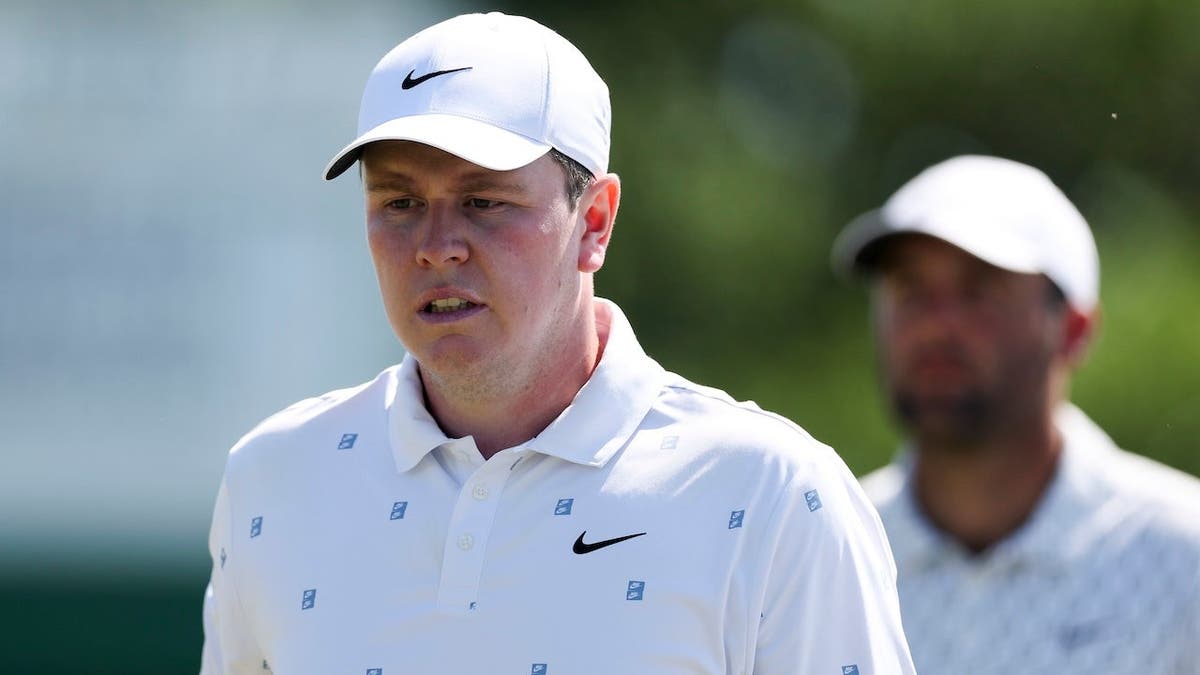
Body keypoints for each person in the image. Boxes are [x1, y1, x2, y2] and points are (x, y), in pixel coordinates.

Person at [199, 12, 915, 675]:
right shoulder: (272, 480)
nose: (437, 247)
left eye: (485, 201)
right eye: (400, 203)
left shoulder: (774, 494)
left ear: (595, 221)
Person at [831, 154, 1200, 675]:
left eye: (979, 290)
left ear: (1073, 330)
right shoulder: (822, 550)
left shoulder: (1186, 561)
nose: (934, 327)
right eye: (909, 289)